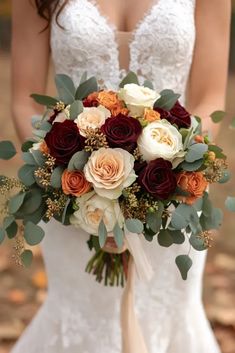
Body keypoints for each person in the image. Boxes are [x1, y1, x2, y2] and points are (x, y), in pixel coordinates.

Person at [11, 0, 231, 352]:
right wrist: (65, 176)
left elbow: (210, 99)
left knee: (166, 316)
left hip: (171, 203)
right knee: (82, 319)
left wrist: (169, 169)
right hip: (72, 200)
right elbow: (23, 100)